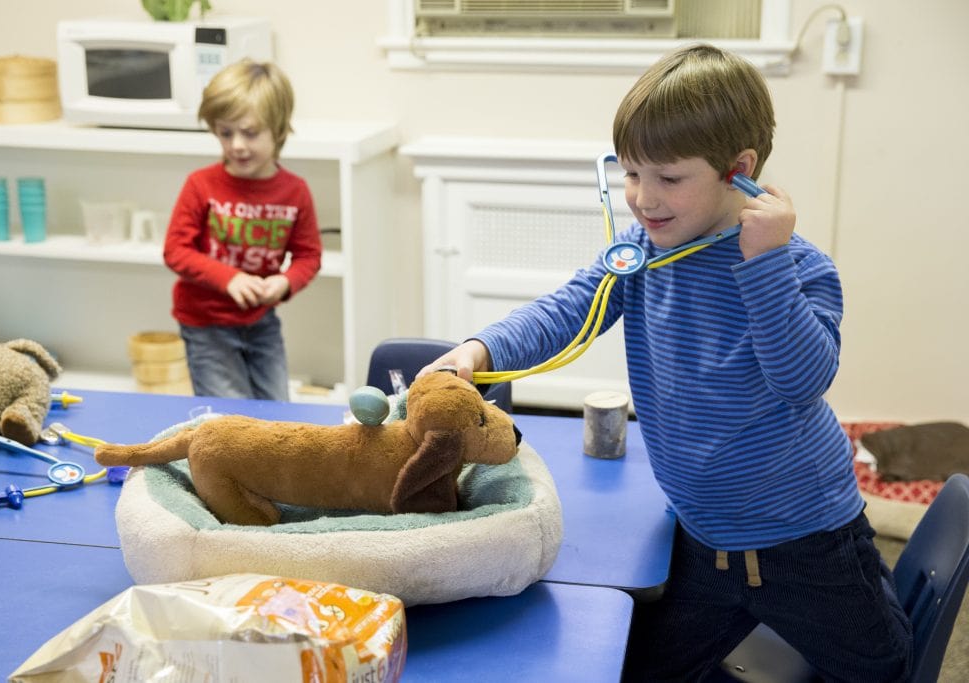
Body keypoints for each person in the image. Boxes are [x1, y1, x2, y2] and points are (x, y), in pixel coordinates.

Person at [419, 44, 912, 681]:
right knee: (641, 667)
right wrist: (480, 351)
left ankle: (878, 585)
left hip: (805, 539)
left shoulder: (797, 268)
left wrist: (762, 263)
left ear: (740, 170)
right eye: (630, 173)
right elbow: (569, 308)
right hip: (702, 535)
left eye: (669, 178)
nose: (643, 199)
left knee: (884, 670)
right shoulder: (639, 253)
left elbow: (801, 380)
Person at [164, 59, 321, 401]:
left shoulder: (295, 191)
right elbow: (176, 250)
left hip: (262, 324)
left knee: (278, 412)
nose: (236, 144)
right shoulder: (200, 184)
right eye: (225, 132)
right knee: (229, 418)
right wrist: (229, 278)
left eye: (250, 133)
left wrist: (284, 282)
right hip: (206, 326)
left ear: (278, 130)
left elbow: (309, 256)